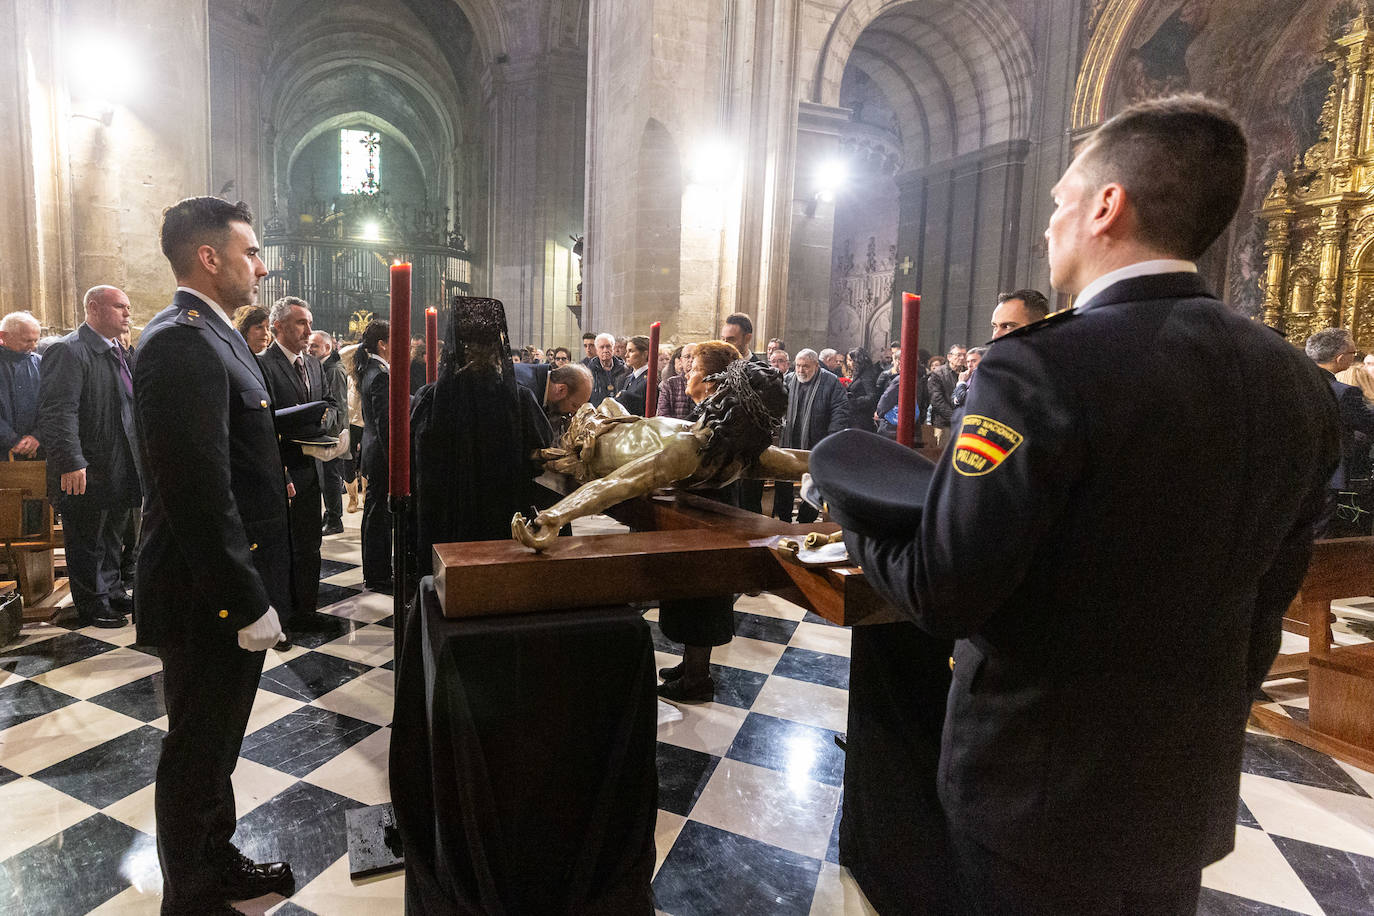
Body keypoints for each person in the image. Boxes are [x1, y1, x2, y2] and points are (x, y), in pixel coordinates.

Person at [846, 95, 1339, 915]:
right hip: (1179, 795)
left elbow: (946, 590)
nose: (1050, 223)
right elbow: (1267, 606)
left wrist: (858, 519)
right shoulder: (1295, 381)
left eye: (1060, 201)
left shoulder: (1038, 368)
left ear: (1108, 205)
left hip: (1035, 793)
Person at [136, 196, 294, 915]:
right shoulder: (181, 340)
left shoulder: (214, 335)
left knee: (217, 740)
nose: (260, 266)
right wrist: (244, 598)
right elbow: (195, 489)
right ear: (210, 257)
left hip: (224, 578)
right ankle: (192, 893)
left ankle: (211, 860)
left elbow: (224, 439)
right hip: (206, 592)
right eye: (251, 251)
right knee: (197, 745)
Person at [413, 296, 552, 580]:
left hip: (447, 520)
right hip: (502, 517)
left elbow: (417, 462)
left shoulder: (432, 398)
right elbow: (541, 454)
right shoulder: (519, 399)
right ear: (498, 348)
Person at [38, 286, 142, 629]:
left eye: (128, 307)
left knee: (113, 533)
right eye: (119, 307)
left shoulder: (119, 351)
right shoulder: (69, 351)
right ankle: (92, 602)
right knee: (87, 537)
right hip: (86, 465)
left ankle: (111, 590)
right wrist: (71, 461)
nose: (128, 313)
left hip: (118, 461)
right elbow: (58, 412)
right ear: (93, 308)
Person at [257, 297, 338, 632]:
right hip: (284, 468)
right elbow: (261, 424)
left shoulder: (314, 364)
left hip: (313, 466)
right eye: (300, 323)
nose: (308, 330)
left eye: (309, 322)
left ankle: (307, 609)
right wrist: (282, 471)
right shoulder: (263, 364)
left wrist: (326, 420)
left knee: (309, 544)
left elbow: (330, 403)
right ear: (278, 327)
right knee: (280, 548)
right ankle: (282, 615)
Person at [1307, 327, 1374, 537]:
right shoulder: (1343, 393)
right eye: (1354, 353)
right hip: (1325, 473)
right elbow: (1369, 424)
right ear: (1340, 358)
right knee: (1320, 538)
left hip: (1291, 470)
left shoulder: (1289, 382)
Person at [772, 349, 849, 523]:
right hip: (789, 439)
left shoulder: (830, 382)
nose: (801, 370)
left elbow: (840, 411)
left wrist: (832, 438)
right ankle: (783, 520)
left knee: (814, 483)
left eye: (805, 366)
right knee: (782, 480)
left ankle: (805, 521)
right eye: (798, 366)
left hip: (816, 440)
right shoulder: (789, 379)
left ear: (816, 365)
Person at [354, 319, 393, 593]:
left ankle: (376, 570)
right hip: (381, 453)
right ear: (383, 344)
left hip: (373, 451)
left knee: (374, 512)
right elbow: (384, 422)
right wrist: (396, 457)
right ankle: (378, 574)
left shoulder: (372, 368)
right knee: (378, 516)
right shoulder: (379, 373)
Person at [720, 314, 767, 513]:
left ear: (747, 338)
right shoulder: (718, 367)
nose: (725, 345)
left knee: (748, 511)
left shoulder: (763, 371)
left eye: (731, 340)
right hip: (722, 455)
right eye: (723, 340)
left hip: (749, 456)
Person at [309, 330, 349, 536]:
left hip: (330, 434)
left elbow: (338, 405)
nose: (310, 349)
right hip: (325, 433)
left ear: (327, 347)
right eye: (309, 345)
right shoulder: (322, 366)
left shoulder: (332, 370)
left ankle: (334, 519)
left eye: (314, 346)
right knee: (325, 477)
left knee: (330, 477)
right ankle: (330, 515)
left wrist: (330, 435)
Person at [0, 311, 43, 458]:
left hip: (37, 449)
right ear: (3, 336)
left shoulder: (41, 363)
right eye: (27, 340)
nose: (33, 346)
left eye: (36, 340)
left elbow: (53, 404)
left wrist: (37, 436)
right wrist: (11, 440)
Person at [514, 359, 592, 439]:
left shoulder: (538, 383)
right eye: (574, 406)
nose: (573, 413)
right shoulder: (520, 392)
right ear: (561, 390)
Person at [926, 344, 965, 441]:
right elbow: (937, 401)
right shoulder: (938, 373)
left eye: (964, 355)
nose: (962, 358)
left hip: (964, 424)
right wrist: (955, 417)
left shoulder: (967, 373)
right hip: (944, 424)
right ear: (949, 357)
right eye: (959, 355)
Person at [656, 343, 697, 420]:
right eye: (687, 357)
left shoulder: (706, 383)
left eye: (694, 357)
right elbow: (663, 414)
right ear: (681, 360)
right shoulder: (670, 383)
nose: (691, 360)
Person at [844, 347, 880, 432]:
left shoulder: (866, 375)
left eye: (850, 360)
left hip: (862, 419)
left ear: (857, 361)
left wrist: (854, 401)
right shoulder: (860, 373)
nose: (848, 363)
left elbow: (872, 396)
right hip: (856, 416)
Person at [587, 331, 629, 404]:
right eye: (602, 347)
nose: (605, 350)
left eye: (608, 346)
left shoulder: (624, 369)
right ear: (597, 350)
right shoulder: (589, 371)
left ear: (613, 348)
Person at [614, 335, 651, 415]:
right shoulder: (627, 378)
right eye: (626, 351)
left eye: (631, 351)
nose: (626, 355)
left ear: (644, 354)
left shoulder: (649, 381)